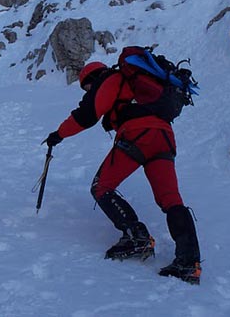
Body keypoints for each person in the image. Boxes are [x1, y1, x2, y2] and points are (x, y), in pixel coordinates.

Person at [45, 56, 202, 285]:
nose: (87, 91)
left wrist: (58, 135)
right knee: (171, 200)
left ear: (92, 78)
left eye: (87, 87)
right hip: (165, 138)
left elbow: (87, 114)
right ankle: (189, 263)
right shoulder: (139, 83)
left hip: (138, 135)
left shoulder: (111, 78)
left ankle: (136, 237)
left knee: (101, 187)